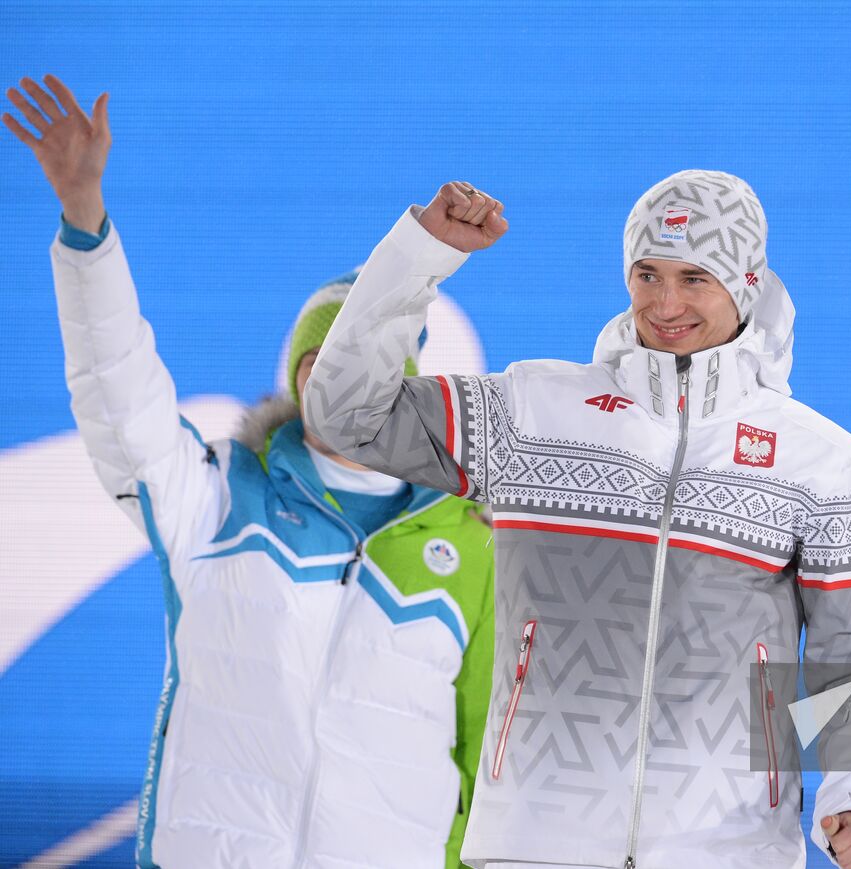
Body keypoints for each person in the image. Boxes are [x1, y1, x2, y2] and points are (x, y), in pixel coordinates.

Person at [301, 170, 851, 869]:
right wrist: (419, 256)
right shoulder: (532, 412)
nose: (665, 302)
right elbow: (345, 412)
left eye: (694, 278)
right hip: (534, 843)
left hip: (730, 850)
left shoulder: (821, 459)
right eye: (647, 274)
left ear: (745, 283)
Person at [4, 74, 495, 869]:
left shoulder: (471, 549)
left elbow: (489, 773)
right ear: (294, 377)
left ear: (404, 386)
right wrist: (85, 223)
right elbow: (119, 390)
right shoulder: (218, 496)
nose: (338, 382)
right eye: (319, 362)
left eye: (363, 364)